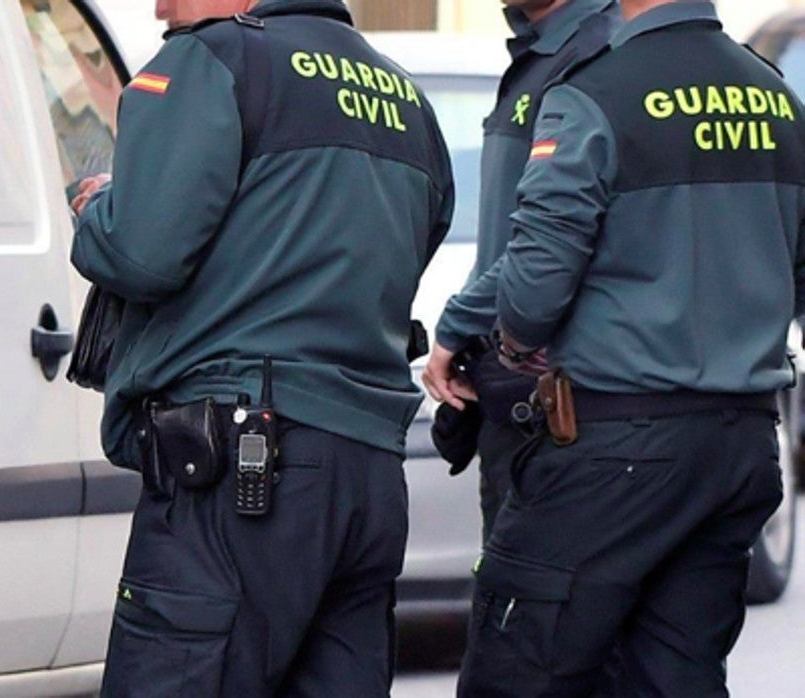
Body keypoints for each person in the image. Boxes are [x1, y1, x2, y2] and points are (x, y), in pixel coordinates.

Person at [70, 0, 453, 694]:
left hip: (243, 471)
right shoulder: (405, 97)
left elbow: (143, 253)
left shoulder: (215, 60)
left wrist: (99, 208)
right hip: (365, 472)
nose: (161, 9)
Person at [456, 0, 803, 694]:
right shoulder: (777, 98)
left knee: (518, 670)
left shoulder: (595, 92)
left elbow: (532, 290)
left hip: (616, 444)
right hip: (738, 444)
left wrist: (510, 345)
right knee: (675, 676)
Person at [421, 0, 620, 541]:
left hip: (562, 399)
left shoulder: (596, 53)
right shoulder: (540, 54)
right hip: (517, 389)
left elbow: (551, 244)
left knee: (539, 611)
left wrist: (460, 321)